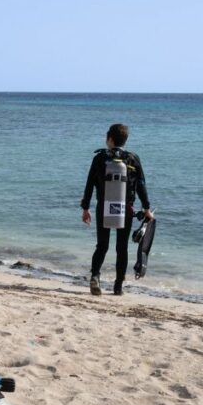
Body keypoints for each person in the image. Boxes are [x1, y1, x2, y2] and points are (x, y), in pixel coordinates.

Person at [80, 123, 154, 296]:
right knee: (122, 248)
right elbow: (141, 185)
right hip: (125, 208)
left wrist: (85, 208)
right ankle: (118, 285)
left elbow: (89, 184)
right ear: (125, 139)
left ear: (110, 139)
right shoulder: (133, 158)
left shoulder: (99, 158)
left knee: (102, 245)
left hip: (103, 207)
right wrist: (147, 208)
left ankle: (95, 277)